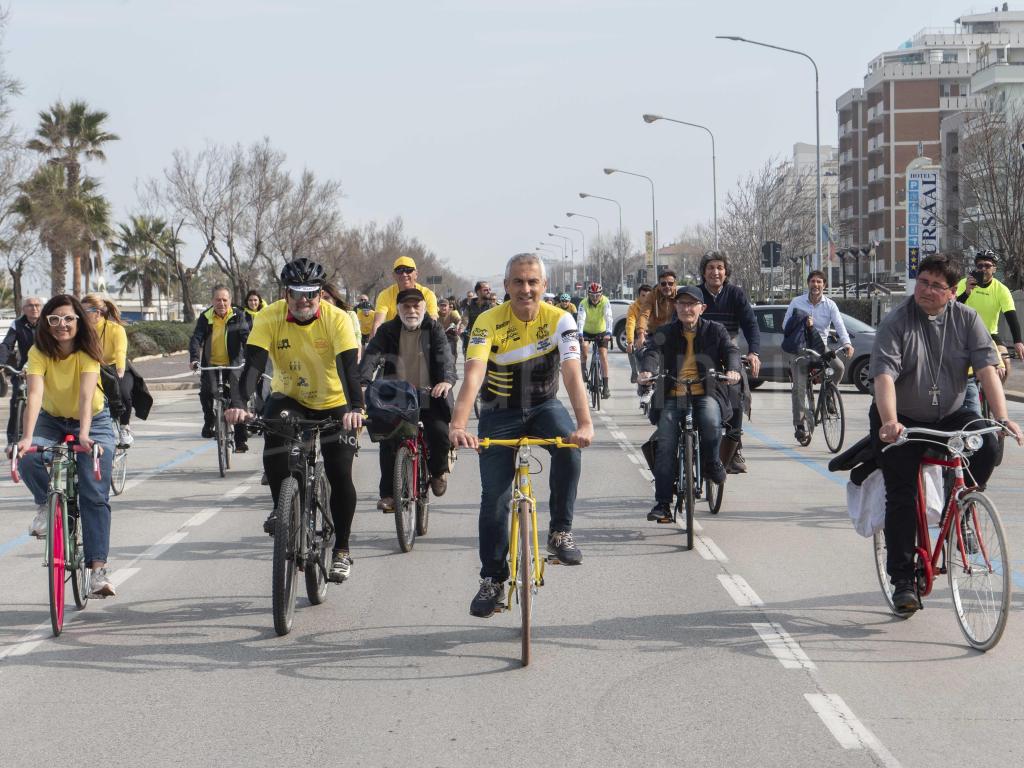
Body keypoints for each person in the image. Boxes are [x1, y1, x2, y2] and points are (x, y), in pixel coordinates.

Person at [869, 253, 1023, 614]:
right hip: (903, 418)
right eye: (922, 281)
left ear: (952, 292)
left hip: (952, 413)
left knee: (987, 445)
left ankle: (965, 504)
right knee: (902, 494)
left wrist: (1002, 418)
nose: (926, 290)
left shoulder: (967, 320)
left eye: (936, 286)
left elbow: (987, 369)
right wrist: (890, 422)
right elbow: (884, 377)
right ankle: (904, 581)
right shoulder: (897, 321)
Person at [450, 253, 593, 619]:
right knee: (493, 499)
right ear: (506, 286)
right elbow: (473, 376)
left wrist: (584, 424)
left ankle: (560, 532)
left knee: (569, 448)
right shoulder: (486, 321)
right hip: (499, 412)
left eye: (533, 282)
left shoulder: (561, 319)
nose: (526, 289)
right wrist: (458, 425)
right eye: (518, 282)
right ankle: (492, 579)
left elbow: (573, 373)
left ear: (544, 286)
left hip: (545, 406)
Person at [225, 257, 365, 582]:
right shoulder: (269, 316)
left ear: (320, 292)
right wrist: (238, 402)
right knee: (274, 435)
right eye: (297, 292)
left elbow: (349, 369)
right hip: (290, 397)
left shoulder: (338, 319)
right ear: (286, 292)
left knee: (340, 471)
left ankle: (342, 550)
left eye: (311, 292)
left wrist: (356, 408)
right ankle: (281, 507)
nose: (304, 299)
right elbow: (255, 365)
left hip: (334, 401)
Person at [16, 294, 117, 597]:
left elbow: (86, 398)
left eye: (69, 319)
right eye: (55, 319)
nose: (62, 325)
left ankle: (98, 571)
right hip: (52, 418)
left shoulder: (87, 352)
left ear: (78, 322)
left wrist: (85, 435)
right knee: (28, 456)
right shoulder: (38, 352)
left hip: (94, 421)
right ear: (46, 323)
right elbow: (34, 395)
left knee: (94, 493)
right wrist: (25, 437)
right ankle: (47, 505)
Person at [638, 287, 741, 522]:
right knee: (665, 443)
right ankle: (663, 503)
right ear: (676, 307)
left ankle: (713, 461)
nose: (686, 308)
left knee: (711, 422)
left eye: (692, 304)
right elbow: (652, 351)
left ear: (702, 308)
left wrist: (733, 369)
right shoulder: (666, 332)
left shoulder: (715, 331)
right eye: (682, 304)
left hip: (707, 391)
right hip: (674, 394)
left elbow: (731, 350)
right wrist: (647, 370)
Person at [361, 288, 455, 510]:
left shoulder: (434, 329)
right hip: (397, 396)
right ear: (398, 309)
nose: (411, 310)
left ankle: (438, 472)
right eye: (406, 306)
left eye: (416, 306)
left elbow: (445, 357)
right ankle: (389, 495)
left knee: (439, 433)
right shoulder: (387, 330)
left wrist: (446, 380)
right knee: (388, 440)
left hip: (430, 393)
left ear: (423, 308)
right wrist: (363, 381)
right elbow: (372, 355)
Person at [697, 252, 761, 473]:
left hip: (729, 350)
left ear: (726, 272)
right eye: (711, 268)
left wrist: (753, 352)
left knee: (737, 393)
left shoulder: (736, 294)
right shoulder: (696, 294)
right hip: (698, 351)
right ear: (704, 272)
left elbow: (751, 325)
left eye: (720, 267)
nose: (716, 272)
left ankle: (734, 449)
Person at [782, 270, 854, 444]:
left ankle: (828, 395)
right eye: (813, 281)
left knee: (839, 367)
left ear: (824, 285)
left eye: (819, 282)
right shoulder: (797, 302)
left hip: (820, 346)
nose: (816, 285)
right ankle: (800, 425)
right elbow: (785, 325)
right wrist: (801, 321)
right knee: (799, 388)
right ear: (808, 284)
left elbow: (840, 325)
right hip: (800, 348)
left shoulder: (830, 305)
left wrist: (847, 343)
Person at [188, 284, 250, 452]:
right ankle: (209, 421)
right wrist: (194, 359)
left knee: (237, 399)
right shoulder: (206, 316)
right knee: (206, 394)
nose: (221, 303)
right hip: (211, 365)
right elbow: (196, 339)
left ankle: (240, 440)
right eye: (218, 300)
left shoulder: (239, 316)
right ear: (212, 301)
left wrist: (250, 357)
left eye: (224, 300)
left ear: (230, 301)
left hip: (233, 364)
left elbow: (246, 337)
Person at [956, 250, 1024, 379]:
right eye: (979, 266)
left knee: (1005, 364)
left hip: (990, 335)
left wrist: (1018, 341)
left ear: (994, 269)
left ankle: (991, 397)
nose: (983, 269)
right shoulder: (964, 284)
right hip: (964, 333)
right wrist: (966, 292)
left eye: (987, 266)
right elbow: (952, 309)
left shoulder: (1001, 290)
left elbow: (1011, 316)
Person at [81, 294, 134, 446]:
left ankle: (124, 428)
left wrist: (120, 370)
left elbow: (120, 352)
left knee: (123, 393)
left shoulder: (115, 329)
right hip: (91, 368)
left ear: (97, 312)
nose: (80, 315)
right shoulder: (81, 330)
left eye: (84, 311)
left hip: (113, 367)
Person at [0, 296, 42, 450]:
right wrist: (1, 362)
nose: (34, 308)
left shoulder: (48, 323)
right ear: (24, 309)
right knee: (16, 398)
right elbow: (7, 344)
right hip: (23, 368)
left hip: (45, 367)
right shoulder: (17, 324)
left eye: (37, 305)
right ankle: (12, 440)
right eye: (30, 305)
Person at [371, 256, 439, 336]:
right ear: (394, 275)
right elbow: (378, 323)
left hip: (420, 339)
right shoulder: (385, 295)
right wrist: (374, 345)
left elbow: (432, 322)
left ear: (416, 274)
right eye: (399, 271)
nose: (404, 274)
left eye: (408, 270)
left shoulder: (428, 294)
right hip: (394, 340)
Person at [576, 282, 613, 399]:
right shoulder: (583, 303)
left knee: (603, 355)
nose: (595, 298)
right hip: (586, 331)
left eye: (597, 295)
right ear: (588, 295)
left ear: (601, 295)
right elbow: (581, 319)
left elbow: (608, 317)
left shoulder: (605, 302)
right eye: (592, 295)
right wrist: (580, 333)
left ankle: (606, 387)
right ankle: (583, 369)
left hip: (601, 331)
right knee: (584, 348)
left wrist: (609, 332)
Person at [637, 269, 680, 347]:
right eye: (663, 284)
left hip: (676, 335)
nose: (667, 286)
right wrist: (641, 335)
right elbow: (643, 315)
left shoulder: (681, 296)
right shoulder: (652, 296)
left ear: (675, 284)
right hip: (655, 334)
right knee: (643, 355)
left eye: (670, 283)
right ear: (659, 285)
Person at [624, 284, 652, 384]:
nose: (645, 298)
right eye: (643, 295)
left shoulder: (655, 305)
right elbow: (630, 324)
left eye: (648, 296)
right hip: (637, 333)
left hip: (651, 333)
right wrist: (630, 341)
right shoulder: (633, 307)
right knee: (632, 348)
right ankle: (635, 372)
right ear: (638, 296)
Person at [459, 280, 494, 354]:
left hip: (488, 341)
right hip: (472, 340)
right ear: (478, 292)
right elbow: (465, 321)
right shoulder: (470, 307)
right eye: (485, 290)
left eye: (489, 289)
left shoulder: (493, 307)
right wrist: (461, 329)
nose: (489, 292)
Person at [436, 297, 462, 362]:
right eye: (441, 306)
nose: (443, 308)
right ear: (438, 306)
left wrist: (458, 326)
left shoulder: (452, 313)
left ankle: (452, 367)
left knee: (451, 355)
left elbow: (459, 321)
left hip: (451, 337)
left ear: (448, 306)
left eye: (445, 306)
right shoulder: (436, 314)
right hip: (439, 337)